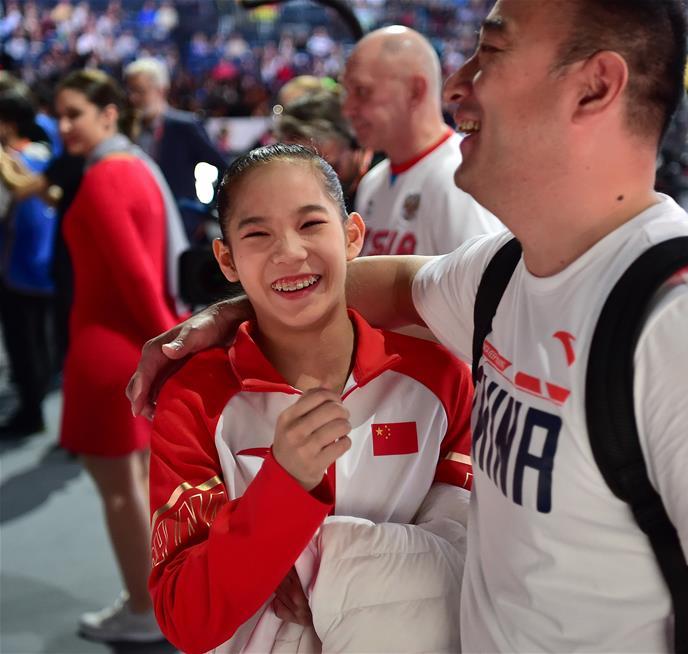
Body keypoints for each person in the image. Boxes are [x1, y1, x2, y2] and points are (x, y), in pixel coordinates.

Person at [129, 2, 688, 652]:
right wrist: (237, 307)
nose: (456, 85)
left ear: (595, 86)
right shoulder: (505, 272)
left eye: (493, 52)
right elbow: (380, 283)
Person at [148, 144, 472, 653]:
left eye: (311, 224)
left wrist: (332, 585)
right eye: (257, 234)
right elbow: (186, 619)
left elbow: (472, 560)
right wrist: (283, 486)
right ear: (227, 259)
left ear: (353, 236)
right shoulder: (194, 398)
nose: (289, 252)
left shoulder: (440, 379)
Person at [55, 69, 187, 643]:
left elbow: (137, 278)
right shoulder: (136, 168)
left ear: (108, 112)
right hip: (126, 349)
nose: (63, 128)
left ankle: (143, 608)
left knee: (119, 490)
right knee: (134, 484)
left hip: (106, 351)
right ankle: (150, 596)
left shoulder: (108, 177)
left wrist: (176, 345)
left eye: (74, 114)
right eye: (58, 115)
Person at [342, 26, 502, 256]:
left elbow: (484, 288)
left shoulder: (461, 178)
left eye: (362, 91)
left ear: (415, 91)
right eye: (347, 92)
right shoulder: (372, 182)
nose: (348, 108)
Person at [0, 88, 56, 437]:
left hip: (16, 265)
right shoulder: (46, 155)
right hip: (46, 263)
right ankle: (36, 400)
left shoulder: (11, 162)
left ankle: (30, 411)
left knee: (23, 343)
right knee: (40, 338)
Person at [124, 57, 227, 242]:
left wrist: (205, 211)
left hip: (180, 225)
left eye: (140, 91)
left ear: (161, 90)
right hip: (140, 223)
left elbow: (223, 166)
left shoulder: (183, 125)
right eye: (130, 91)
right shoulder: (127, 129)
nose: (133, 98)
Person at [275, 88, 373, 211]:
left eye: (333, 167)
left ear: (356, 142)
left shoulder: (385, 179)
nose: (323, 182)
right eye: (307, 173)